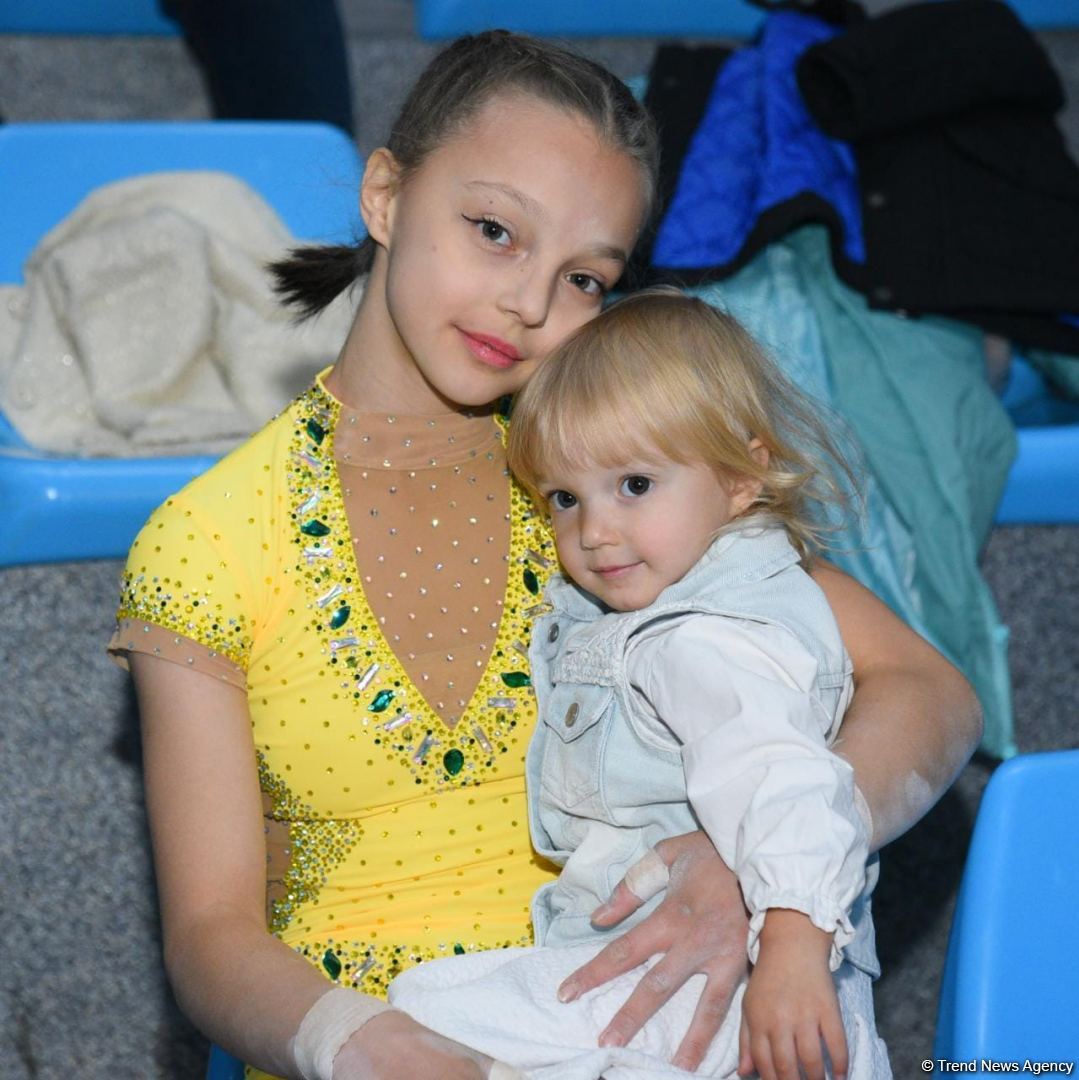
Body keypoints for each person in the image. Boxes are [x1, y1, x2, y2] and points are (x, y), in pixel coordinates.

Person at [107, 30, 981, 1080]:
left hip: (643, 1034)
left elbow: (929, 693)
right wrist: (362, 1045)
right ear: (384, 196)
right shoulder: (206, 540)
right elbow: (210, 938)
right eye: (493, 232)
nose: (528, 304)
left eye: (582, 278)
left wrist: (755, 865)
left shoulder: (604, 485)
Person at [389, 289, 890, 1079]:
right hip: (687, 978)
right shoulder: (715, 597)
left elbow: (787, 784)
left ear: (741, 475)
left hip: (710, 988)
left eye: (633, 484)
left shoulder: (699, 637)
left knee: (415, 1021)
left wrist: (792, 952)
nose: (594, 531)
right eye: (564, 498)